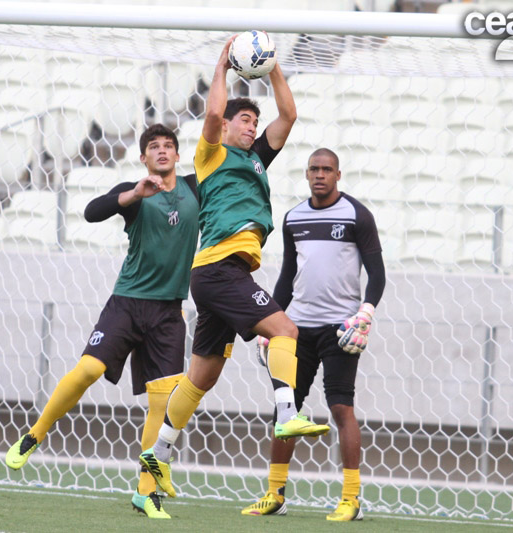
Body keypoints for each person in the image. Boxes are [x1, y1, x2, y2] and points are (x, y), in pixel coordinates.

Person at [138, 36, 330, 500]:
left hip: (219, 274)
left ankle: (157, 453)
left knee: (202, 374)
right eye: (245, 121)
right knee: (286, 329)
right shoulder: (212, 155)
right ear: (225, 127)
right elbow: (209, 116)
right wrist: (221, 68)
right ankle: (287, 412)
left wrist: (275, 68)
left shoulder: (256, 159)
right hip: (221, 268)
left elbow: (289, 117)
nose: (252, 127)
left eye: (253, 122)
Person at [5, 124, 199, 520]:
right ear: (143, 158)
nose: (161, 152)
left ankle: (146, 493)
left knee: (161, 406)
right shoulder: (136, 190)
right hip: (127, 304)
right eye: (153, 147)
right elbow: (92, 212)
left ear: (178, 156)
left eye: (168, 146)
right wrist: (132, 194)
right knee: (88, 369)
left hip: (169, 313)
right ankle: (34, 434)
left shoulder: (197, 188)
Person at [241, 148, 386, 521]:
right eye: (313, 169)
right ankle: (275, 494)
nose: (320, 175)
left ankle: (351, 499)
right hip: (297, 329)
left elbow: (377, 272)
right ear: (306, 174)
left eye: (327, 169)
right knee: (285, 411)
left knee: (341, 408)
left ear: (339, 174)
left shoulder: (357, 215)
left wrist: (365, 313)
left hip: (341, 329)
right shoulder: (293, 219)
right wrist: (267, 322)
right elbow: (288, 276)